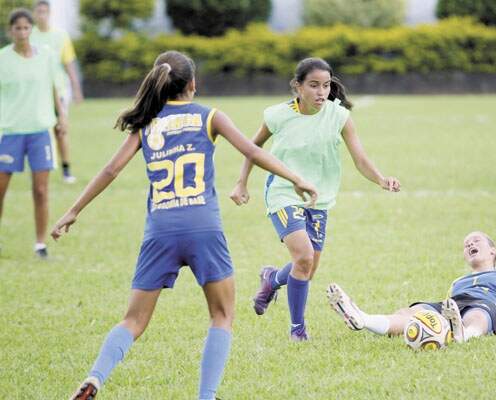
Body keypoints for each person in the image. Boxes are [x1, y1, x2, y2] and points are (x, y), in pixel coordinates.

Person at [51, 51, 318, 400]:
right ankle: (206, 396)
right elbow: (253, 152)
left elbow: (110, 170)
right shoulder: (210, 116)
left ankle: (96, 376)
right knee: (222, 316)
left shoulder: (147, 122)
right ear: (193, 84)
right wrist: (295, 178)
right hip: (203, 228)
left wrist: (73, 210)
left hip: (160, 230)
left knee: (132, 321)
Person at [229, 57, 401, 341]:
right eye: (313, 85)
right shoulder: (277, 115)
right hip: (283, 194)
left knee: (306, 269)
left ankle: (272, 280)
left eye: (326, 85)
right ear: (297, 87)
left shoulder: (339, 116)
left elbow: (360, 158)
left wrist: (381, 179)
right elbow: (252, 148)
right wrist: (241, 183)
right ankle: (298, 329)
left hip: (319, 200)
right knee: (304, 257)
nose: (321, 92)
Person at [327, 231, 496, 343]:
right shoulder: (458, 282)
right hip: (454, 304)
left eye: (476, 241)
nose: (470, 244)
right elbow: (448, 311)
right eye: (467, 245)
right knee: (413, 314)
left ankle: (463, 334)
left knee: (477, 314)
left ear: (493, 251)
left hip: (488, 305)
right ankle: (363, 319)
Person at [0, 8, 66, 259]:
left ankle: (40, 243)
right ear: (11, 31)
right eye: (17, 28)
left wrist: (62, 118)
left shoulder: (46, 56)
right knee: (1, 190)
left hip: (40, 131)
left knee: (40, 191)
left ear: (31, 30)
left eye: (26, 28)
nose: (22, 32)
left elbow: (54, 88)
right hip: (10, 132)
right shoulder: (2, 58)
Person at [32, 0, 84, 183]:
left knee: (60, 129)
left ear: (50, 13)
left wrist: (76, 89)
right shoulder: (29, 35)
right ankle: (40, 168)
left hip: (59, 90)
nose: (42, 15)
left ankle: (66, 169)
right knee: (38, 130)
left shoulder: (61, 36)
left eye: (45, 12)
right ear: (34, 14)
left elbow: (69, 64)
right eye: (39, 12)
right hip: (36, 92)